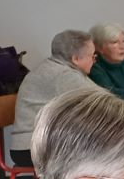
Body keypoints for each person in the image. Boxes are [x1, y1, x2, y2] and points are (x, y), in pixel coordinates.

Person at [10, 29, 97, 166]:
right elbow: (102, 102)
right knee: (106, 150)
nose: (94, 61)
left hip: (35, 144)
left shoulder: (56, 67)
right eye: (92, 56)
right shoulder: (63, 75)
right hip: (33, 148)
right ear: (76, 59)